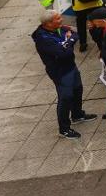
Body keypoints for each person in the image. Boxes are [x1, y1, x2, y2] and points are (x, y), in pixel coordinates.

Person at [32, 10, 97, 139]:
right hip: (60, 72)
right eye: (57, 19)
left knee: (78, 89)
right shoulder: (43, 39)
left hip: (70, 66)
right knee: (65, 98)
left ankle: (77, 115)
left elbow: (75, 34)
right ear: (48, 23)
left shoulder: (60, 28)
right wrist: (68, 40)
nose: (61, 20)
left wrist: (67, 42)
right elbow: (63, 53)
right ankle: (64, 129)